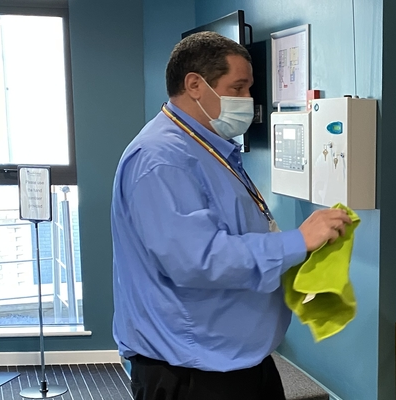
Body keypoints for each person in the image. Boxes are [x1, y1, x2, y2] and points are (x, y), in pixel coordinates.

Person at [110, 31, 351, 400]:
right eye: (238, 88)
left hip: (239, 362)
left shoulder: (209, 148)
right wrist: (297, 241)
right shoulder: (161, 159)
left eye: (249, 89)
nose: (248, 101)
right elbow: (197, 260)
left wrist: (299, 258)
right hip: (193, 375)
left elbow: (235, 234)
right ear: (195, 85)